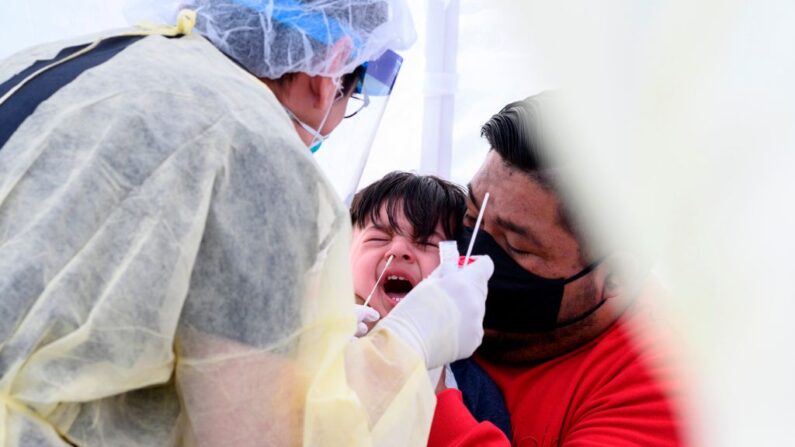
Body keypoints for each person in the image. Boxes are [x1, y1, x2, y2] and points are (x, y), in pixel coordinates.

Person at [0, 1, 494, 445]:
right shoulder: (259, 156)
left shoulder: (61, 63)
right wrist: (407, 343)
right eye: (354, 92)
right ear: (330, 71)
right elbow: (259, 433)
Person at [428, 93, 685, 446]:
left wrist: (424, 398)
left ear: (616, 277)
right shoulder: (432, 252)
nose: (471, 253)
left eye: (515, 246)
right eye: (472, 215)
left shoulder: (664, 385)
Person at [348, 171, 512, 439]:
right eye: (378, 238)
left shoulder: (473, 389)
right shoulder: (311, 343)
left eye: (426, 243)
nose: (399, 250)